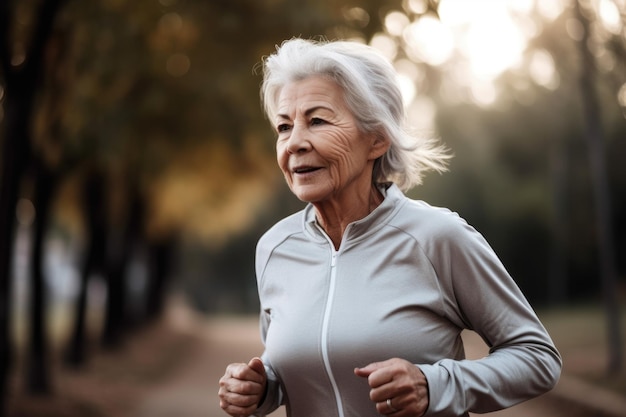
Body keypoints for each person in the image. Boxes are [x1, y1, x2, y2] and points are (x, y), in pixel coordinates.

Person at [218, 37, 561, 417]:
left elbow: (537, 357)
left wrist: (435, 385)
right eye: (284, 127)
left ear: (377, 139)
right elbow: (294, 369)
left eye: (316, 120)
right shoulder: (274, 248)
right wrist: (262, 387)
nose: (294, 142)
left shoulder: (436, 238)